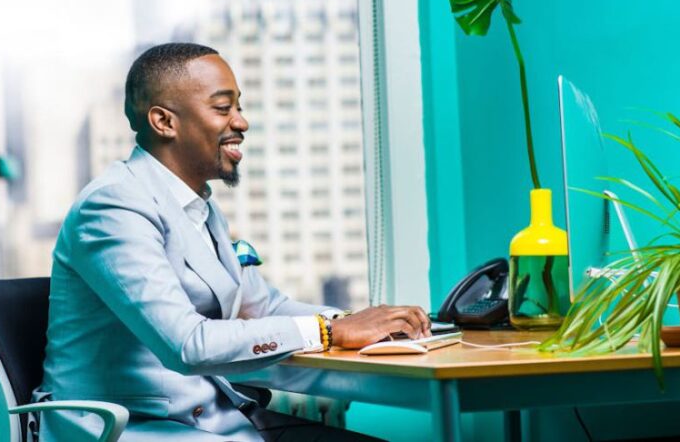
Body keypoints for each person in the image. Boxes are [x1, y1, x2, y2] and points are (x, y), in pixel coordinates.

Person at [34, 43, 431, 441]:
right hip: (132, 429)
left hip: (212, 424)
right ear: (164, 121)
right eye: (223, 108)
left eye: (239, 107)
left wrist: (359, 323)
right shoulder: (113, 205)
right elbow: (188, 344)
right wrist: (328, 331)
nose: (241, 122)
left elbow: (264, 307)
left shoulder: (199, 208)